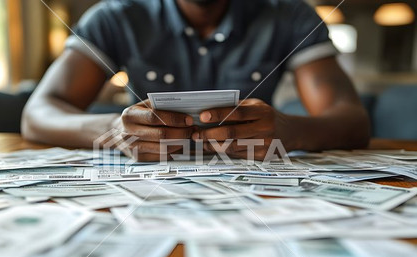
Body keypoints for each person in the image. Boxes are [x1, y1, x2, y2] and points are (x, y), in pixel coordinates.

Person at [22, 0, 370, 161]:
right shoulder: (115, 17)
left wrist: (290, 130)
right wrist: (116, 128)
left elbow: (351, 120)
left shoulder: (291, 15)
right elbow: (38, 113)